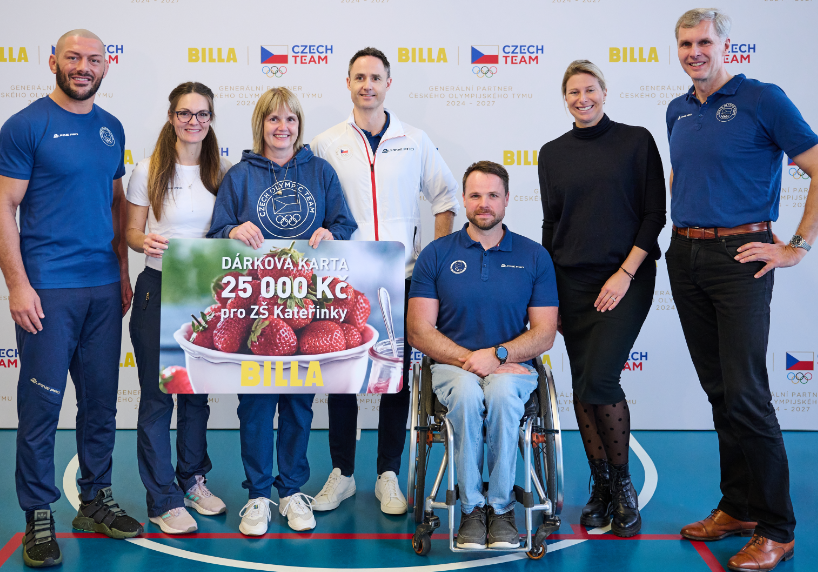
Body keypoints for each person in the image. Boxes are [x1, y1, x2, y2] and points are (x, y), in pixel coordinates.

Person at [666, 9, 818, 572]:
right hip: (685, 255)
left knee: (746, 394)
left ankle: (777, 527)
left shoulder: (763, 98)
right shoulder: (678, 109)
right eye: (685, 43)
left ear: (726, 46)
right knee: (720, 391)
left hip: (741, 257)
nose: (695, 52)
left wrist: (796, 246)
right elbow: (687, 177)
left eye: (704, 41)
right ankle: (738, 507)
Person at [0, 29, 140, 568]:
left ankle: (94, 500)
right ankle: (38, 513)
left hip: (103, 288)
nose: (83, 67)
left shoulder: (111, 127)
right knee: (41, 408)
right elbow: (0, 206)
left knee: (100, 404)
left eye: (93, 59)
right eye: (72, 57)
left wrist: (122, 272)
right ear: (53, 61)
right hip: (48, 290)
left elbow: (116, 205)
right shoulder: (27, 124)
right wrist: (17, 284)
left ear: (106, 66)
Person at [309, 47, 460, 515]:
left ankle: (388, 474)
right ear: (348, 83)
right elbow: (314, 207)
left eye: (375, 77)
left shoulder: (414, 139)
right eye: (359, 77)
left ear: (388, 84)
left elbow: (445, 199)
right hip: (343, 278)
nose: (367, 85)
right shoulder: (326, 142)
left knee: (395, 382)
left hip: (403, 277)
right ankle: (343, 473)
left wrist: (434, 260)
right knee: (342, 379)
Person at [207, 87, 357, 536]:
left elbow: (344, 224)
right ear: (261, 125)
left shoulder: (320, 171)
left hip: (303, 307)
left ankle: (291, 491)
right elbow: (217, 231)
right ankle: (257, 495)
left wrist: (331, 233)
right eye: (273, 119)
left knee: (297, 404)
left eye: (290, 119)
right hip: (257, 310)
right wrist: (233, 230)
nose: (282, 127)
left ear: (299, 125)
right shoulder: (240, 176)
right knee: (255, 406)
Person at [538, 60, 666, 537]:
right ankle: (602, 486)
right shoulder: (552, 153)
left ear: (605, 92)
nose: (582, 98)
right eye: (573, 92)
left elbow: (654, 215)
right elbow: (552, 224)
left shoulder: (636, 141)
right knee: (582, 383)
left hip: (625, 279)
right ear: (565, 99)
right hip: (570, 283)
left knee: (601, 379)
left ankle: (623, 485)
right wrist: (548, 292)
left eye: (589, 89)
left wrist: (624, 273)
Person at [407, 161, 558, 549]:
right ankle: (472, 509)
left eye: (493, 195)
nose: (484, 203)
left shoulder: (534, 255)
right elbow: (419, 330)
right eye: (475, 195)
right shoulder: (436, 254)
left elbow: (544, 333)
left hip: (512, 366)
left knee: (503, 394)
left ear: (507, 200)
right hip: (452, 367)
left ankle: (502, 508)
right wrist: (471, 360)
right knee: (468, 392)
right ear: (463, 199)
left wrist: (499, 355)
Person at [125, 82, 232, 534]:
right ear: (171, 117)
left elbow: (229, 229)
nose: (194, 121)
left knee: (194, 394)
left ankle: (192, 480)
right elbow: (131, 232)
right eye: (185, 113)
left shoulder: (222, 171)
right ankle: (162, 499)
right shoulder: (148, 169)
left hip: (204, 293)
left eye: (202, 114)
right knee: (157, 399)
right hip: (158, 287)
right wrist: (143, 241)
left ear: (210, 120)